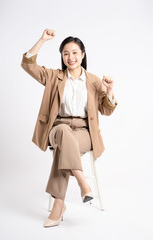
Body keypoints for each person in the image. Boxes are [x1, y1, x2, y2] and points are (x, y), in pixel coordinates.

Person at [21, 28, 118, 227]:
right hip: (58, 127)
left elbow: (106, 111)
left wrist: (109, 90)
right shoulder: (53, 76)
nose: (70, 57)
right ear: (62, 57)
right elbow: (28, 64)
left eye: (75, 52)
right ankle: (83, 183)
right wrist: (42, 39)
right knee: (64, 133)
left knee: (63, 151)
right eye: (66, 53)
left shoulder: (93, 81)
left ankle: (59, 204)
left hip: (84, 131)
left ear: (83, 55)